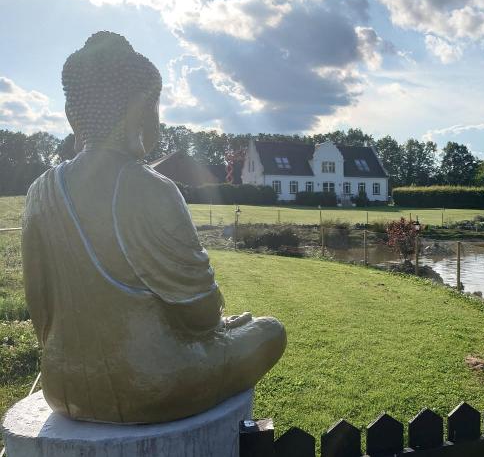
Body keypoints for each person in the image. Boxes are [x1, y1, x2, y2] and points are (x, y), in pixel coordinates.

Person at [22, 32, 286, 423]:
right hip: (157, 382)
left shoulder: (39, 192)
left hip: (63, 386)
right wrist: (218, 324)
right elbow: (202, 316)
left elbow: (42, 313)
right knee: (269, 331)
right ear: (140, 109)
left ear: (71, 114)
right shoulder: (150, 189)